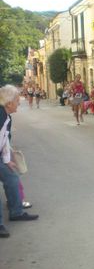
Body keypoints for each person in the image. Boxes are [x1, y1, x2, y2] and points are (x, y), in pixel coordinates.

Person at [0, 85, 39, 238]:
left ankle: (16, 212)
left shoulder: (6, 116)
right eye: (17, 100)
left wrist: (7, 160)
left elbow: (4, 141)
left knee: (12, 179)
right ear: (9, 102)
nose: (19, 102)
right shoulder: (0, 115)